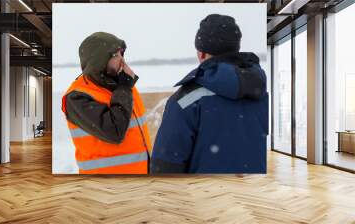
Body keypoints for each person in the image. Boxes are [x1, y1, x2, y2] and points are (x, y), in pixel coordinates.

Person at [150, 14, 268, 174]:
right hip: (254, 195)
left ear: (201, 53)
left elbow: (165, 166)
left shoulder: (186, 100)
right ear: (236, 48)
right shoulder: (259, 92)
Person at [62, 32, 151, 174]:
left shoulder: (123, 84)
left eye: (121, 53)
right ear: (99, 61)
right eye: (115, 55)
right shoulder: (77, 97)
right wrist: (124, 87)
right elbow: (115, 132)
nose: (122, 59)